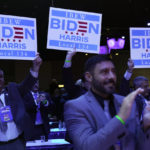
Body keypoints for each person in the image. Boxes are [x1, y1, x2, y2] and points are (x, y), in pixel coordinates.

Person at [64, 54, 150, 150]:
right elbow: (87, 146)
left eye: (113, 71)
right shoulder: (75, 107)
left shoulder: (125, 103)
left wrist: (145, 126)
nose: (111, 76)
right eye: (104, 72)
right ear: (89, 77)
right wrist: (121, 117)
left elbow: (138, 145)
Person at [0, 54, 42, 150]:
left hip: (17, 143)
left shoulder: (12, 89)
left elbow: (27, 84)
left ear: (4, 79)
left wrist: (35, 68)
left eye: (1, 77)